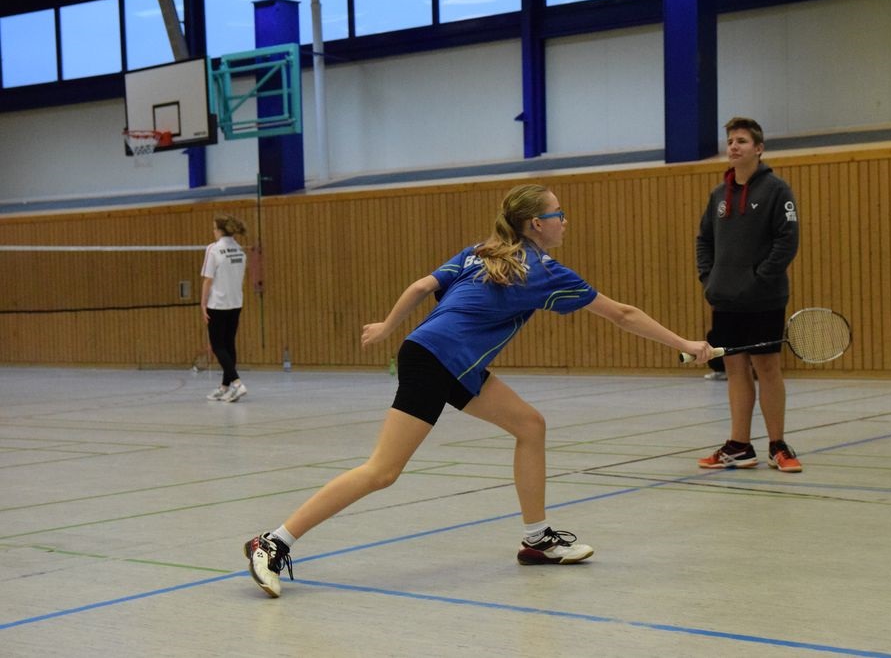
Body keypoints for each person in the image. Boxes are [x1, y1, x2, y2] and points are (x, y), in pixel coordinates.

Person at [243, 184, 713, 597]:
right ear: (536, 224)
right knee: (382, 470)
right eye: (557, 214)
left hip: (446, 359)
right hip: (437, 360)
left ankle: (537, 539)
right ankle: (273, 541)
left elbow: (421, 285)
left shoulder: (480, 251)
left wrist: (389, 326)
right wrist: (687, 344)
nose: (564, 221)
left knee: (530, 425)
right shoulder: (542, 271)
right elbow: (623, 314)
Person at [695, 117, 801, 473]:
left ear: (759, 148)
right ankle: (739, 446)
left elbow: (787, 241)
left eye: (741, 141)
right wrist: (710, 279)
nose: (734, 146)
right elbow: (704, 240)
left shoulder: (776, 190)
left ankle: (778, 445)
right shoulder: (717, 196)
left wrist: (759, 280)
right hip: (725, 300)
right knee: (735, 369)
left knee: (767, 369)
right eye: (730, 141)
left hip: (763, 300)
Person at [201, 215, 249, 402]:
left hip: (217, 305)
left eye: (214, 228)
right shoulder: (240, 250)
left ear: (220, 230)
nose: (213, 231)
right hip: (235, 303)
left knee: (218, 345)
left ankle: (237, 383)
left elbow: (208, 279)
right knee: (229, 345)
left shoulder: (213, 249)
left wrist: (203, 304)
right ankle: (224, 387)